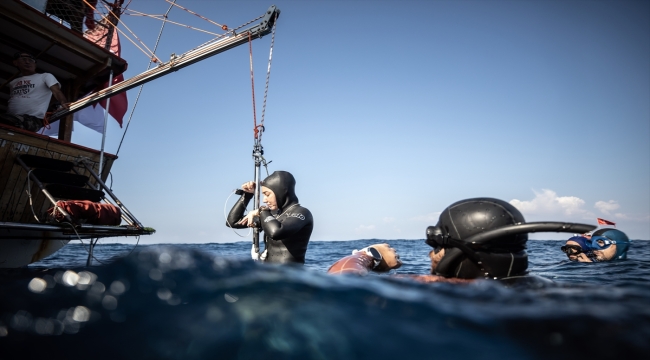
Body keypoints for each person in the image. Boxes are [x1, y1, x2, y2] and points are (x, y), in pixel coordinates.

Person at [328, 197, 595, 283]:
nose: (430, 256)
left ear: (455, 252)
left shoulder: (435, 288)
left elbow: (343, 279)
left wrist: (371, 254)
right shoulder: (546, 290)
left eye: (435, 247)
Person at [226, 171, 313, 264]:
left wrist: (262, 211)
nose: (264, 200)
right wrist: (247, 195)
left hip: (290, 276)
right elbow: (232, 222)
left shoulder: (302, 213)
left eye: (267, 194)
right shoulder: (272, 214)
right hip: (268, 273)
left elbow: (276, 232)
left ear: (281, 192)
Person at [1, 52, 69, 132]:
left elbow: (56, 91)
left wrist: (63, 103)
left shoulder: (45, 76)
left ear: (35, 65)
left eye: (31, 60)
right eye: (23, 59)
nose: (27, 62)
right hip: (10, 117)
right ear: (15, 63)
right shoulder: (13, 82)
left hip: (33, 120)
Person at [561, 228, 631, 262]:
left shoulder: (628, 270)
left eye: (600, 242)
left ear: (620, 246)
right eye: (591, 243)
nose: (594, 247)